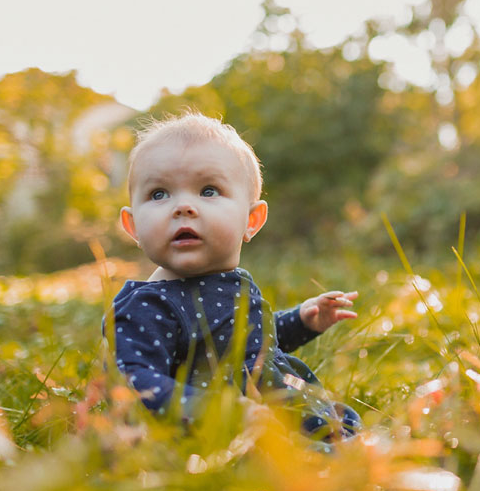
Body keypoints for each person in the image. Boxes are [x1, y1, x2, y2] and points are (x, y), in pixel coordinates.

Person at [106, 111, 360, 439]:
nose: (183, 206)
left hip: (284, 398)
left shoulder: (233, 282)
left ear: (251, 220)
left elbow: (248, 345)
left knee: (340, 432)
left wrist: (302, 320)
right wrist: (214, 411)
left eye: (208, 191)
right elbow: (134, 379)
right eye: (159, 194)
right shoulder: (147, 306)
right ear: (133, 226)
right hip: (220, 428)